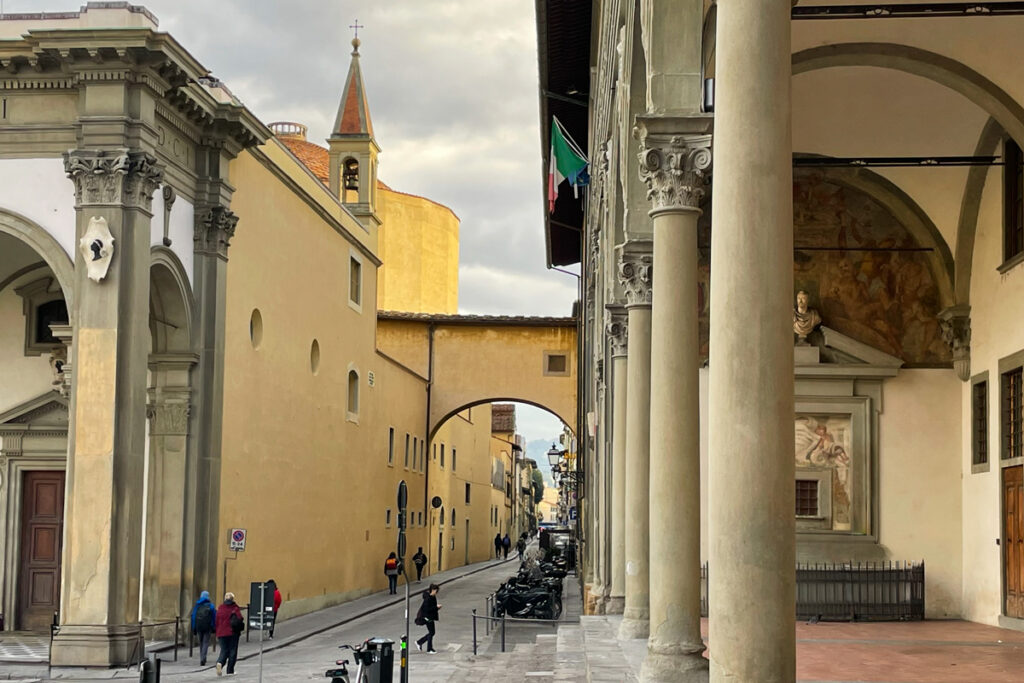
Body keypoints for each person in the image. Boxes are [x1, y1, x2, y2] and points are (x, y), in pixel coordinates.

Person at [215, 591, 244, 676]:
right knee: (232, 651)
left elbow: (216, 621)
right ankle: (230, 670)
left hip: (221, 633)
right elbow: (240, 619)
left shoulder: (220, 608)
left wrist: (217, 631)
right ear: (232, 599)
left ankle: (220, 662)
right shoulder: (234, 608)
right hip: (232, 633)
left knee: (224, 650)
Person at [190, 590, 216, 666]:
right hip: (207, 627)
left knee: (201, 642)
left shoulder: (197, 606)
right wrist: (214, 627)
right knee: (205, 642)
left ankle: (202, 657)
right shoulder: (211, 606)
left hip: (199, 627)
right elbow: (214, 618)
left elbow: (194, 617)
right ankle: (203, 658)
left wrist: (193, 628)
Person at [414, 583, 441, 654]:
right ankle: (429, 649)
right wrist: (436, 607)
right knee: (432, 632)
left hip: (430, 617)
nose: (437, 592)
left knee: (432, 632)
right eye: (436, 591)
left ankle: (419, 642)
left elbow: (432, 608)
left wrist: (437, 608)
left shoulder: (433, 597)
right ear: (433, 590)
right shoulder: (428, 599)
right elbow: (427, 609)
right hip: (427, 618)